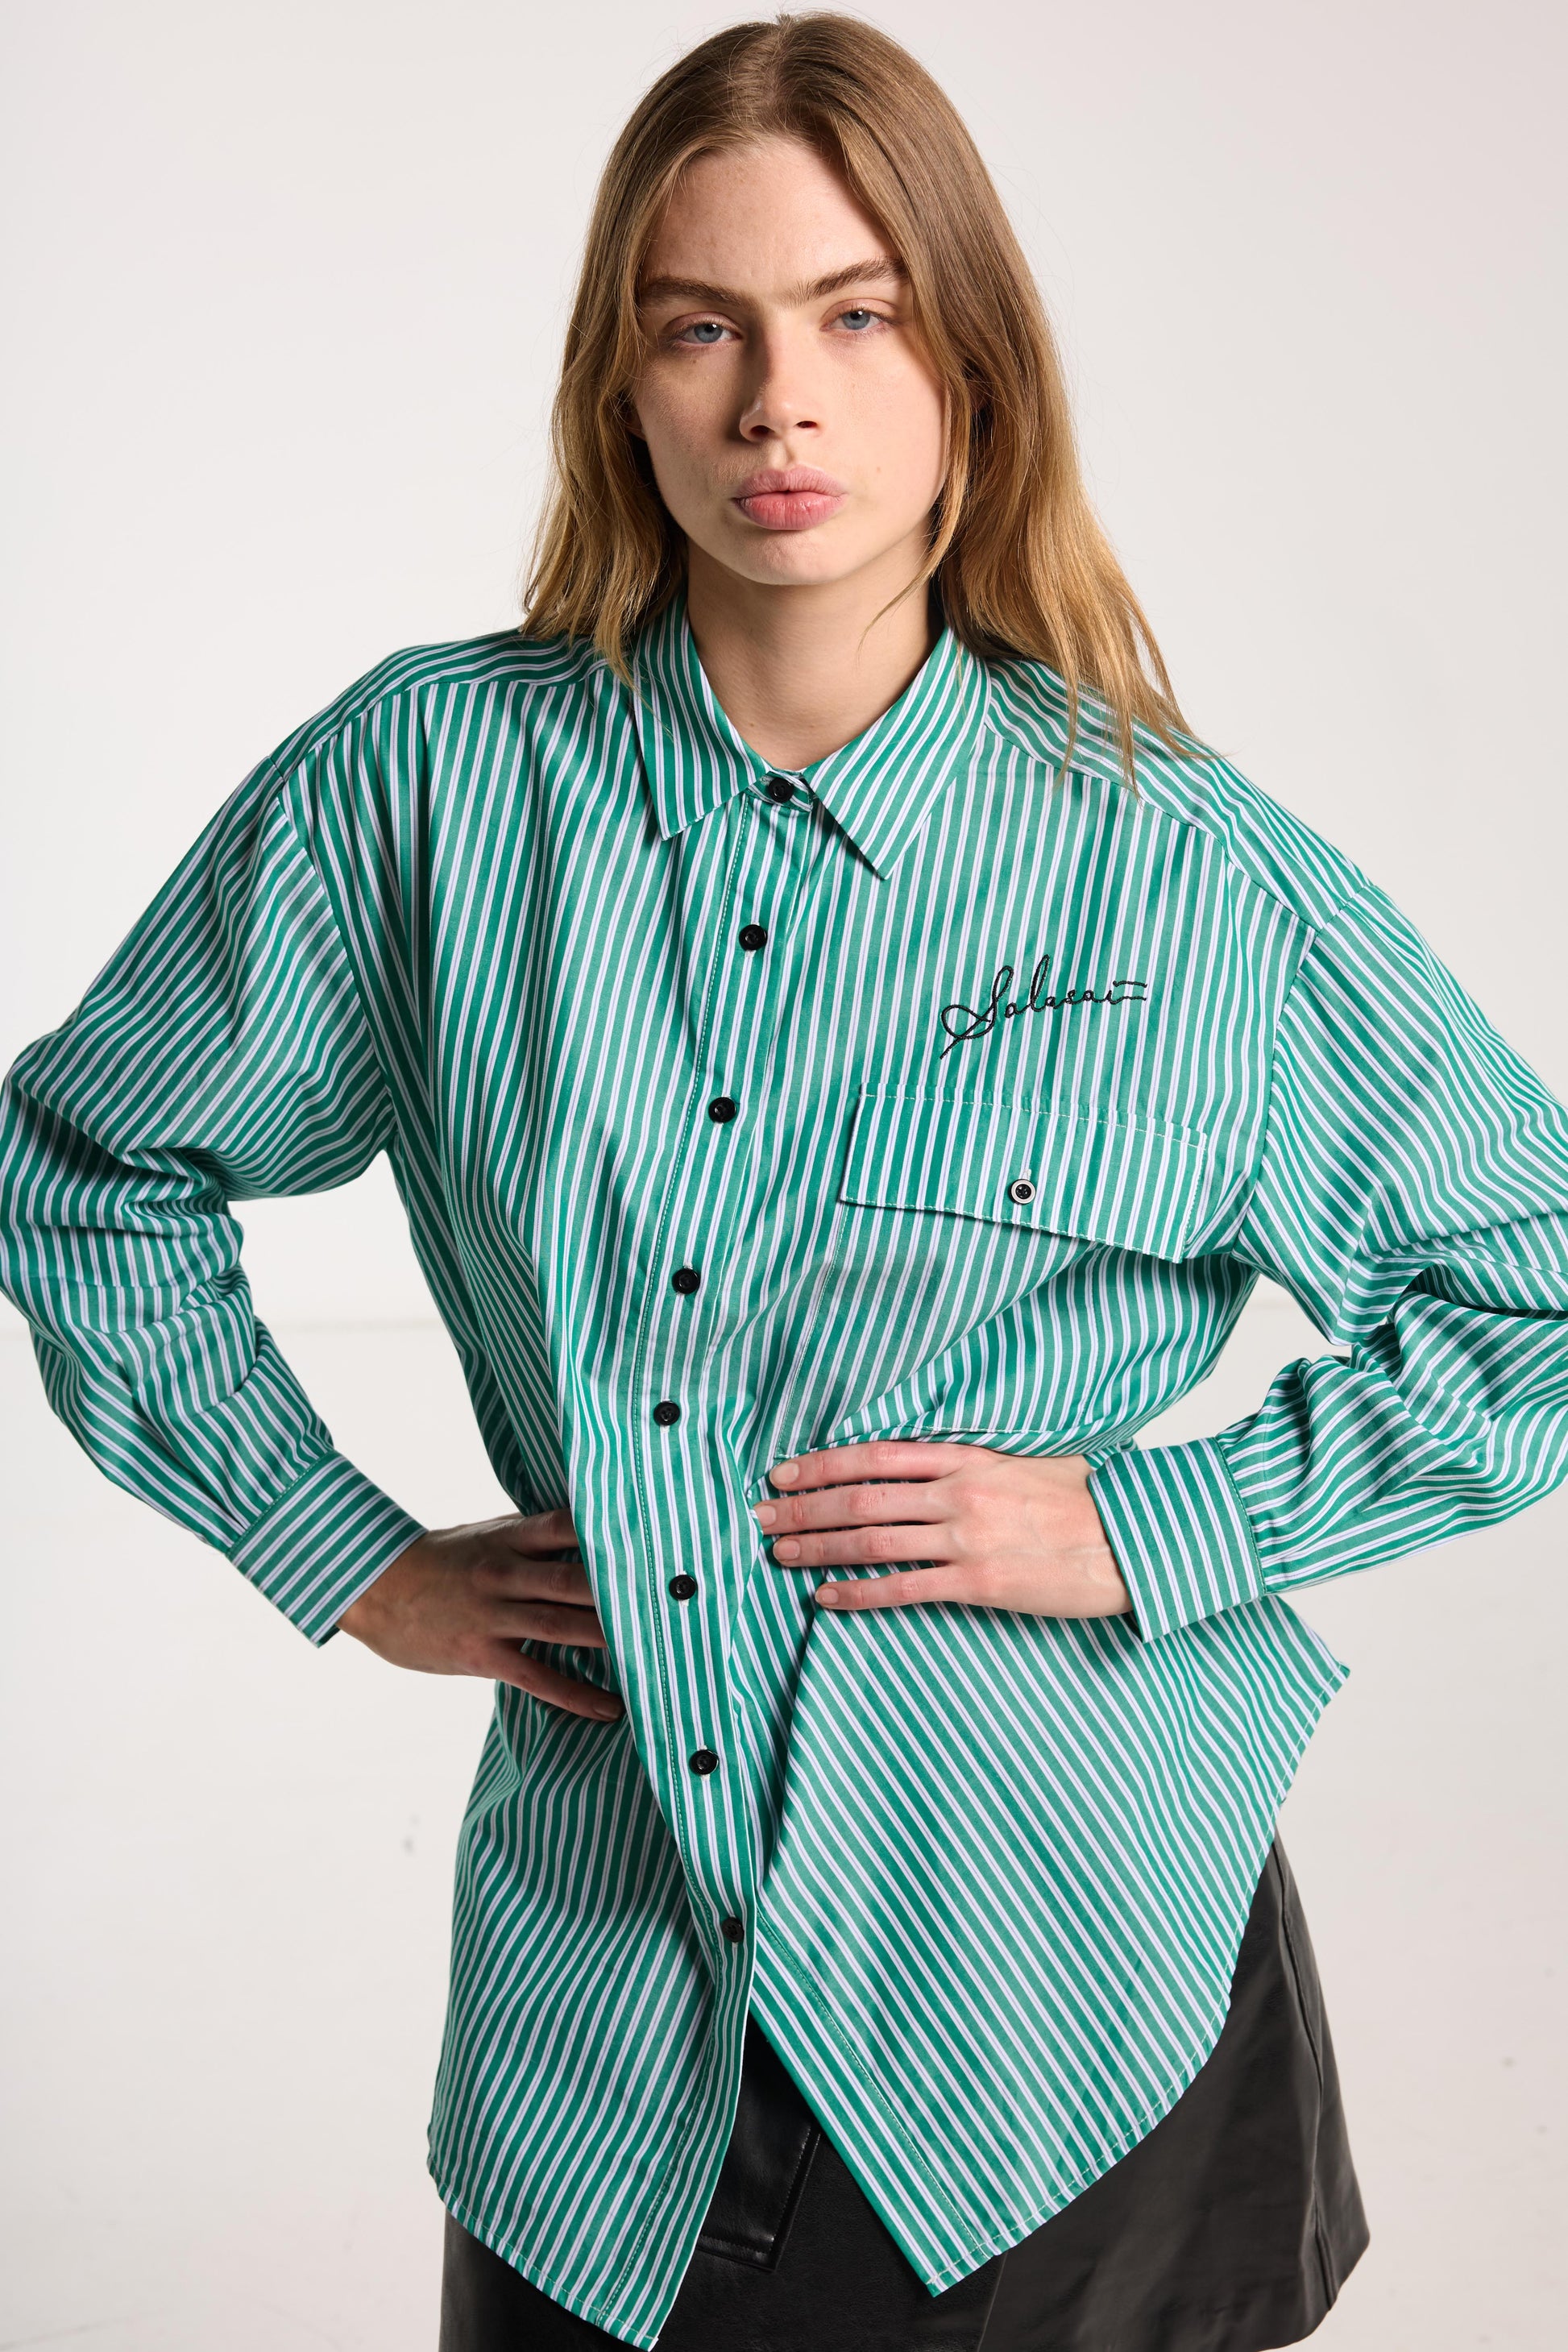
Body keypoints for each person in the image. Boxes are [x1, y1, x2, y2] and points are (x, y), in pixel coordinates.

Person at [3, 10, 1566, 2348]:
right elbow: (86, 1167)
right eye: (700, 327)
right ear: (620, 388)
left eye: (858, 316)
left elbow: (1536, 1287)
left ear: (975, 374)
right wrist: (353, 1562)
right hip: (607, 2038)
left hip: (1066, 2011)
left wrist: (1147, 1528)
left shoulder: (1184, 875)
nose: (779, 405)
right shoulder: (429, 792)